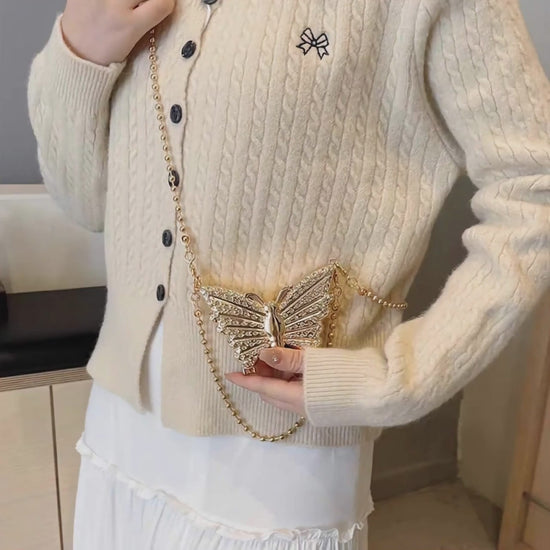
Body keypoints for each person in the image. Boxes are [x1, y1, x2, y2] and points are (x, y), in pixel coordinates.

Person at [27, 0, 550, 548]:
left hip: (276, 454)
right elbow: (84, 203)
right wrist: (79, 53)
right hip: (122, 423)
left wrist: (406, 377)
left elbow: (532, 186)